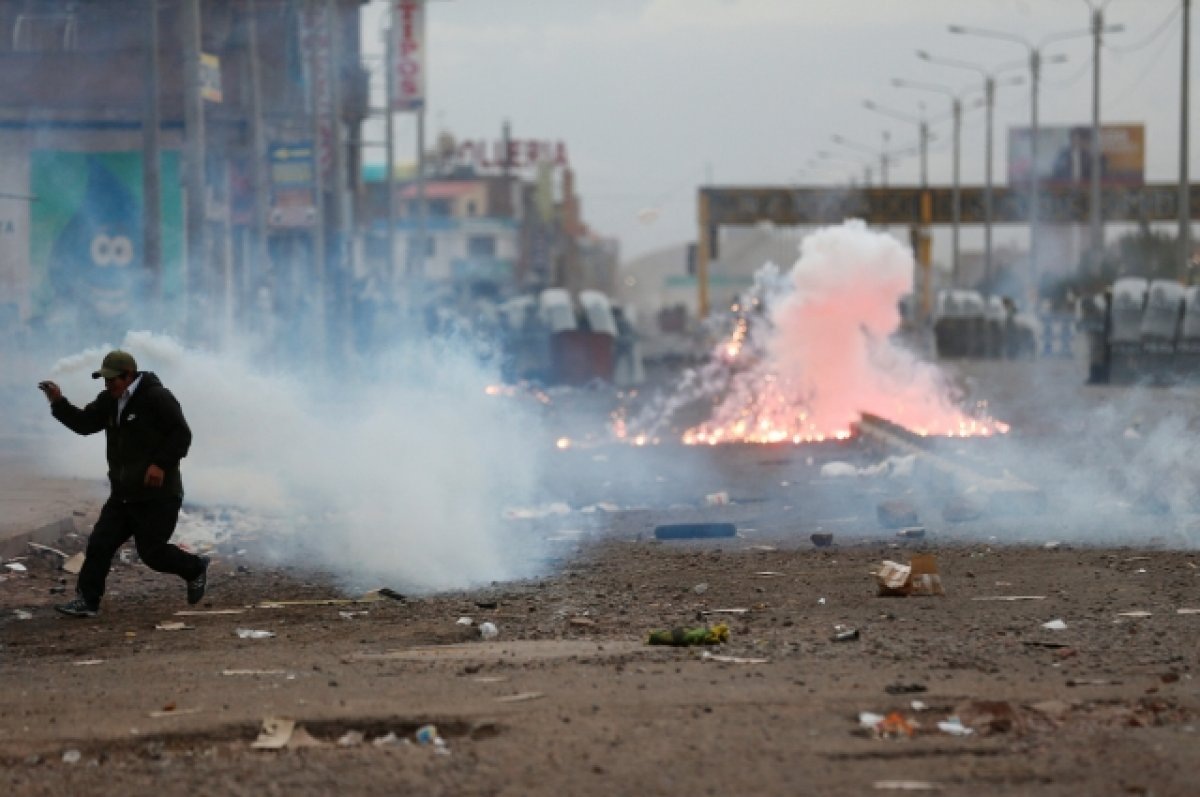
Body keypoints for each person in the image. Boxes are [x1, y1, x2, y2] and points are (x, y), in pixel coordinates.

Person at [37, 350, 209, 617]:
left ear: (128, 376)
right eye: (105, 381)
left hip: (157, 495)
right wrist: (58, 402)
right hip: (123, 494)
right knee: (99, 544)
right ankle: (87, 601)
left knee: (152, 553)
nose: (108, 386)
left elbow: (181, 434)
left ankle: (195, 567)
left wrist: (160, 464)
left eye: (113, 380)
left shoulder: (157, 398)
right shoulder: (109, 401)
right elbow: (85, 424)